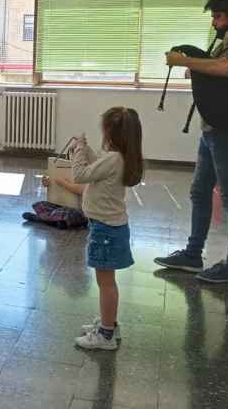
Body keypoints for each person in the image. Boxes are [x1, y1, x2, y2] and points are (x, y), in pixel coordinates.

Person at [156, 0, 228, 284]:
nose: (214, 22)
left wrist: (185, 61)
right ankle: (192, 255)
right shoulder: (224, 45)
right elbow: (211, 70)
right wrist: (196, 69)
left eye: (218, 16)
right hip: (210, 130)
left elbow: (226, 70)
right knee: (200, 192)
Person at [73, 107, 144, 351]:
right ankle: (110, 323)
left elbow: (80, 174)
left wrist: (79, 151)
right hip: (111, 227)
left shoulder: (114, 159)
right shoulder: (120, 158)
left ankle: (105, 335)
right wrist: (88, 151)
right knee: (107, 281)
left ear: (111, 133)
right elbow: (98, 167)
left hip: (105, 230)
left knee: (105, 283)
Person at [22, 173, 87, 229]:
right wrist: (46, 182)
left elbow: (81, 191)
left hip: (79, 210)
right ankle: (54, 220)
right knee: (39, 204)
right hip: (58, 207)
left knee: (68, 213)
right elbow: (47, 181)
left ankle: (40, 219)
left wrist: (63, 183)